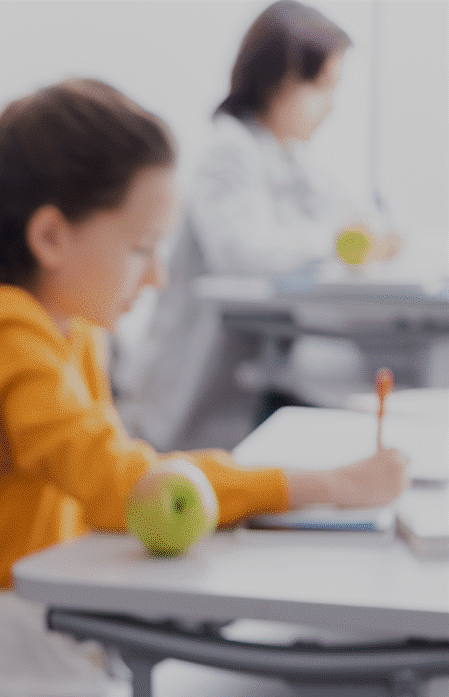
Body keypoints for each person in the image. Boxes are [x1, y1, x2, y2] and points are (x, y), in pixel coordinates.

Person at [0, 78, 405, 697]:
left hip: (37, 664)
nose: (155, 276)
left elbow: (120, 481)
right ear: (50, 236)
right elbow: (127, 487)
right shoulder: (4, 327)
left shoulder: (72, 335)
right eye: (139, 248)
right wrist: (325, 485)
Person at [126, 1, 398, 450]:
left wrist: (371, 234)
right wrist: (338, 242)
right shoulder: (228, 153)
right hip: (194, 387)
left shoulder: (296, 160)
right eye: (323, 86)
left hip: (253, 381)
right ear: (281, 81)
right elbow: (244, 254)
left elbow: (355, 218)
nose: (331, 106)